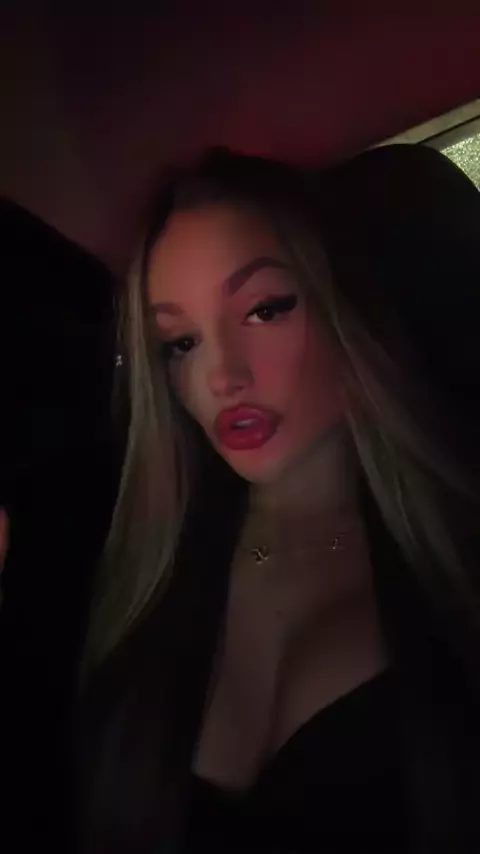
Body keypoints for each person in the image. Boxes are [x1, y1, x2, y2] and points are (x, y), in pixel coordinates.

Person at [78, 145, 480, 854]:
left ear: (343, 303)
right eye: (180, 343)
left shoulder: (458, 546)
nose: (221, 377)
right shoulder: (138, 571)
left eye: (264, 310)